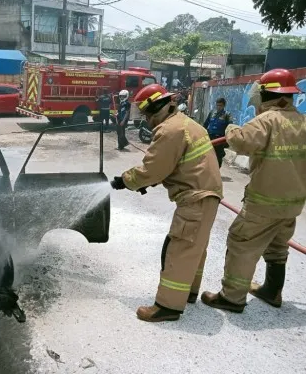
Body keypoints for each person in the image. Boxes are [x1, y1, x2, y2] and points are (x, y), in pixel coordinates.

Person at [110, 84, 223, 323]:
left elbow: (152, 169)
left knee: (178, 249)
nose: (147, 119)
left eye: (147, 113)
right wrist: (151, 180)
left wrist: (126, 181)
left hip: (195, 197)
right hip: (206, 196)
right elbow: (177, 166)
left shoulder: (170, 130)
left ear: (156, 108)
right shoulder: (185, 123)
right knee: (194, 247)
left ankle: (167, 306)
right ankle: (188, 293)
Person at [201, 69, 306, 313]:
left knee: (241, 242)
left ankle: (231, 297)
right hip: (293, 203)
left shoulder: (268, 120)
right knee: (277, 245)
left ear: (266, 94)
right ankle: (272, 290)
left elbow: (241, 142)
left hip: (264, 202)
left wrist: (229, 129)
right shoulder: (302, 122)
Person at [204, 98, 232, 168]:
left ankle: (217, 172)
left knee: (218, 156)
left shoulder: (227, 115)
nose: (218, 107)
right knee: (208, 155)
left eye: (220, 105)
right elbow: (206, 124)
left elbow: (230, 127)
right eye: (217, 105)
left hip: (220, 139)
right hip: (210, 137)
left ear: (224, 106)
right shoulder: (212, 113)